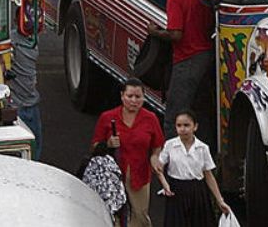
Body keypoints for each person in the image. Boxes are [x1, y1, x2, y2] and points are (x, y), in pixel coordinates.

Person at [147, 0, 215, 143]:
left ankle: (173, 161)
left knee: (174, 116)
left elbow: (176, 34)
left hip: (187, 58)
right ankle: (204, 159)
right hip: (206, 57)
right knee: (200, 112)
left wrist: (155, 32)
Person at [92, 78, 164, 227]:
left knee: (140, 215)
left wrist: (155, 157)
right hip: (114, 174)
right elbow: (95, 146)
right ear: (122, 96)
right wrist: (108, 144)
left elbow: (158, 145)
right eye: (130, 96)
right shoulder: (107, 117)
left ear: (144, 98)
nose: (133, 100)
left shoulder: (150, 118)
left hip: (140, 174)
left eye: (138, 97)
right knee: (116, 214)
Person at [155, 110, 232, 227]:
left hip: (197, 191)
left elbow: (208, 175)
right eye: (179, 125)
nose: (182, 129)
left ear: (195, 127)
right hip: (177, 190)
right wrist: (165, 184)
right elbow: (159, 168)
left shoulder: (202, 148)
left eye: (186, 125)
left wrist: (219, 200)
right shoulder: (170, 145)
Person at [6, 32, 42, 160]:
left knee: (35, 145)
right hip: (17, 105)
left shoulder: (33, 39)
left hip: (31, 103)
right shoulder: (12, 40)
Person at [80, 142, 127, 224]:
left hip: (92, 205)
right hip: (111, 208)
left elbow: (81, 182)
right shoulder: (113, 166)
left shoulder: (89, 165)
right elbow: (120, 193)